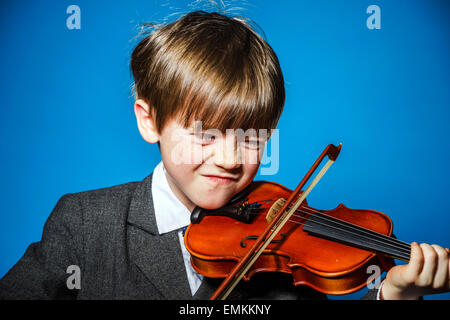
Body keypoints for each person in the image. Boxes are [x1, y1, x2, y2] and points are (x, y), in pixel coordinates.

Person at [0, 11, 448, 300]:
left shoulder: (279, 244)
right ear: (149, 120)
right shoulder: (84, 224)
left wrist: (393, 294)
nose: (232, 158)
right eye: (205, 133)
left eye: (253, 137)